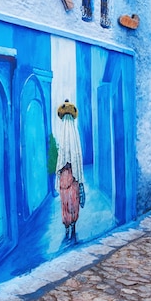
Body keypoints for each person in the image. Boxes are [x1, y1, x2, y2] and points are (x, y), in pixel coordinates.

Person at [55, 100, 85, 241]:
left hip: (66, 177)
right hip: (71, 176)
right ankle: (72, 226)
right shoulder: (74, 135)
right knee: (72, 202)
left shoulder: (64, 136)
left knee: (67, 203)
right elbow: (76, 157)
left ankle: (68, 227)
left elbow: (62, 159)